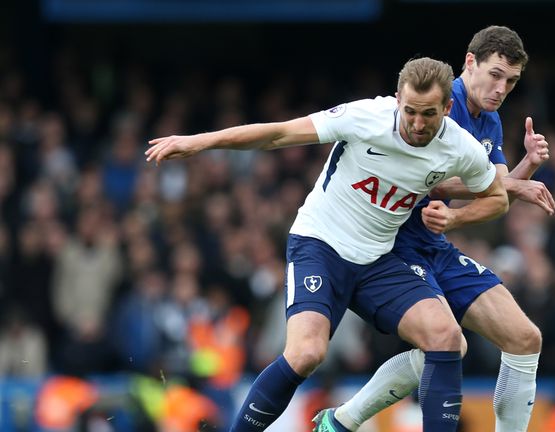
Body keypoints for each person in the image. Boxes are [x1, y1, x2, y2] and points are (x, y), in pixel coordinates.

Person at [146, 57, 509, 432]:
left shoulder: (461, 147)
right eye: (410, 112)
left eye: (429, 114)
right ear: (397, 99)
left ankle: (345, 422)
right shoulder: (366, 117)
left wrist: (455, 218)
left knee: (447, 338)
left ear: (448, 108)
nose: (417, 124)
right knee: (306, 353)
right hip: (321, 245)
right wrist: (197, 142)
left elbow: (497, 197)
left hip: (378, 259)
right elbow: (279, 134)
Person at [313, 25, 552, 432]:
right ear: (470, 62)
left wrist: (524, 167)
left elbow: (491, 194)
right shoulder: (440, 103)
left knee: (525, 338)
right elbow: (433, 179)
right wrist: (516, 183)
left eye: (511, 81)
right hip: (393, 243)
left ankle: (339, 421)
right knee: (445, 345)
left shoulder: (489, 121)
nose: (501, 88)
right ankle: (342, 420)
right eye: (495, 75)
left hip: (433, 242)